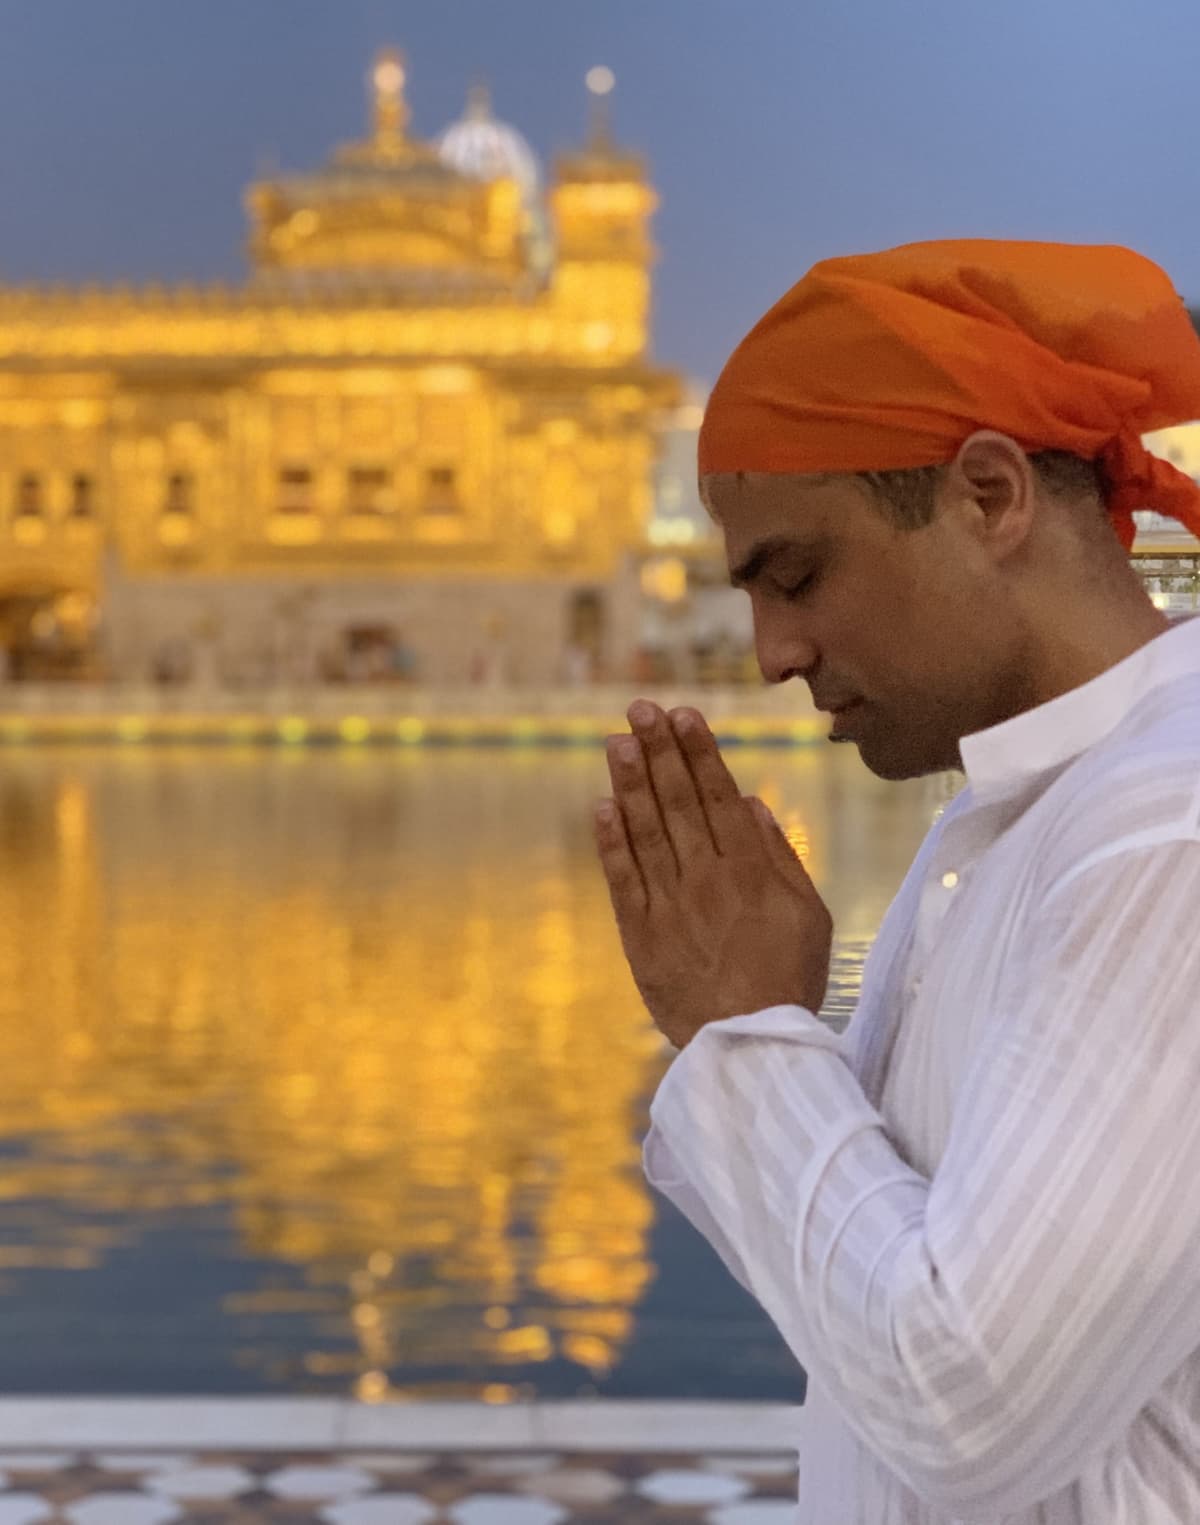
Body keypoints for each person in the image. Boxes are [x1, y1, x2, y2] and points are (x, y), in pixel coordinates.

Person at [593, 240, 1200, 1523]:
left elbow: (961, 1405)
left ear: (989, 498)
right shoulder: (1004, 818)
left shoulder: (1166, 831)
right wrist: (767, 1040)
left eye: (798, 575)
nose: (771, 653)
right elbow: (869, 1311)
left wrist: (744, 1036)